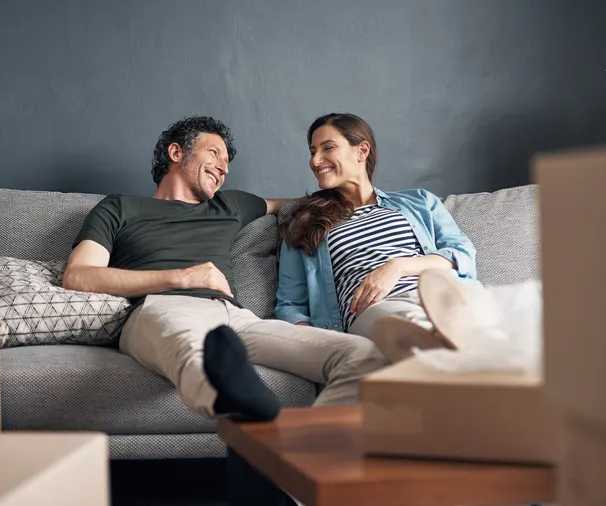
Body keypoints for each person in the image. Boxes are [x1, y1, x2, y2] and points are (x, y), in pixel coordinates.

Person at [63, 116, 387, 421]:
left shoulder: (230, 204)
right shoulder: (119, 207)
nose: (223, 168)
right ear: (176, 152)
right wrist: (182, 277)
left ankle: (311, 449)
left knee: (361, 355)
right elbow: (78, 275)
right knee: (195, 353)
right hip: (161, 308)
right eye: (214, 153)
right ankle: (232, 396)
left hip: (238, 319)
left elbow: (297, 205)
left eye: (227, 163)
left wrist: (360, 189)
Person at [276, 113, 477, 359]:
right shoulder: (305, 223)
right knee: (417, 333)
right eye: (312, 151)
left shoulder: (420, 201)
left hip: (438, 294)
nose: (316, 161)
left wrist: (397, 267)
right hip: (379, 311)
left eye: (328, 148)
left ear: (361, 151)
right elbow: (290, 305)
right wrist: (322, 351)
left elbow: (462, 254)